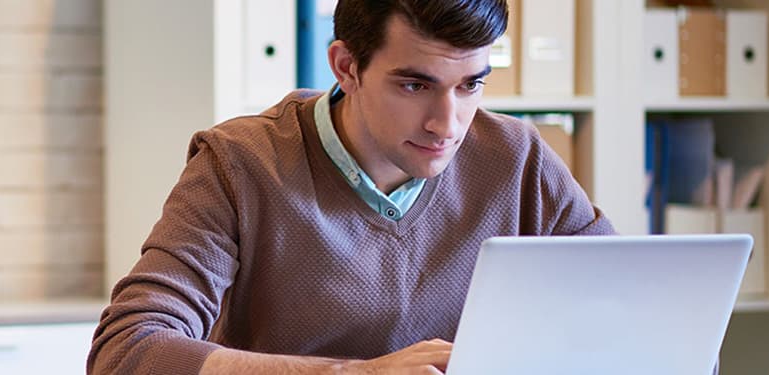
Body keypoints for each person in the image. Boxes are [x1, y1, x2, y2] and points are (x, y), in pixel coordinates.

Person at [88, 0, 615, 374]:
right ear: (346, 67)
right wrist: (355, 374)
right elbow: (127, 352)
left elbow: (630, 301)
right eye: (415, 85)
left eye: (470, 85)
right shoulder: (240, 163)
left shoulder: (516, 158)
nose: (447, 124)